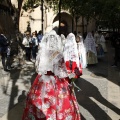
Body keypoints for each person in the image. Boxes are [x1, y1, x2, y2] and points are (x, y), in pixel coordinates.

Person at [22, 31, 81, 120]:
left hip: (42, 80)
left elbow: (37, 68)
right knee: (61, 103)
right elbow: (62, 71)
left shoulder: (42, 53)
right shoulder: (59, 54)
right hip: (57, 82)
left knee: (38, 101)